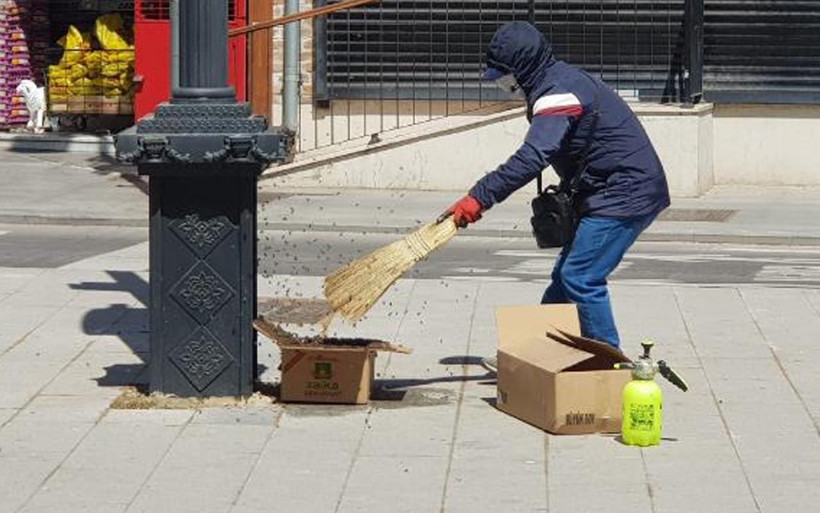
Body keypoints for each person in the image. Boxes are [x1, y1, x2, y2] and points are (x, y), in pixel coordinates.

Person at [443, 21, 670, 361]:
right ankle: (540, 354)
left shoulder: (557, 93)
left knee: (581, 276)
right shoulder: (557, 78)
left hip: (625, 192)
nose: (504, 83)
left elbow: (533, 156)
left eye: (505, 75)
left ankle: (610, 364)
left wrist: (480, 196)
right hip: (610, 189)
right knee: (566, 277)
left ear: (522, 66)